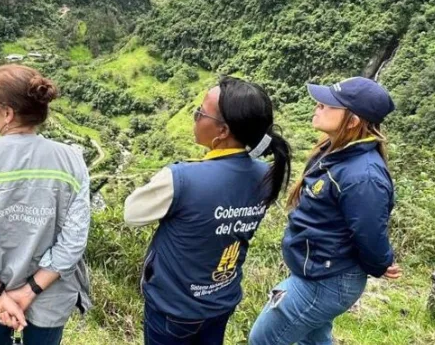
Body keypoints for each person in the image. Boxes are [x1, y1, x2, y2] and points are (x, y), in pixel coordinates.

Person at [124, 76, 292, 345]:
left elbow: (132, 213)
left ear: (223, 131)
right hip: (221, 299)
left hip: (174, 307)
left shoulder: (182, 178)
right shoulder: (267, 175)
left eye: (200, 112)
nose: (195, 117)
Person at [249, 77, 403, 345]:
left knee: (263, 339)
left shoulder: (363, 176)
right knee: (314, 340)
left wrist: (382, 262)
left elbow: (369, 232)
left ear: (353, 121)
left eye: (328, 104)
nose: (318, 106)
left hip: (327, 280)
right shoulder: (335, 151)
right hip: (319, 272)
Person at [0, 64, 92, 345]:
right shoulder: (72, 161)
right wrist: (30, 291)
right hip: (50, 296)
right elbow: (73, 241)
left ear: (8, 113)